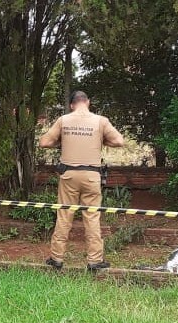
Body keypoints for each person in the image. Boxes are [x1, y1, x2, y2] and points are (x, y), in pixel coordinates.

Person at [38, 91, 126, 271]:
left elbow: (44, 142)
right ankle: (94, 261)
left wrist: (62, 141)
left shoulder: (63, 120)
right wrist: (101, 140)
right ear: (88, 102)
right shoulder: (101, 121)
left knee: (64, 216)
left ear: (72, 105)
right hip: (92, 176)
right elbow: (119, 141)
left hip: (69, 175)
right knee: (92, 217)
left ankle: (56, 259)